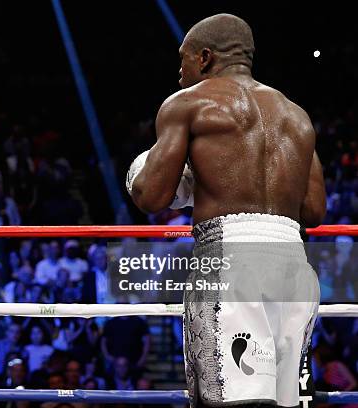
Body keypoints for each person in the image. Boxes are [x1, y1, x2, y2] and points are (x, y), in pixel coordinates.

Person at [126, 14, 326, 408]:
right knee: (281, 402)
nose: (178, 71)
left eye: (182, 60)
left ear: (203, 58)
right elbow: (313, 211)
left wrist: (140, 172)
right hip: (295, 267)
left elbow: (152, 196)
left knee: (230, 400)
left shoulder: (188, 104)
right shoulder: (295, 115)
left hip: (230, 262)